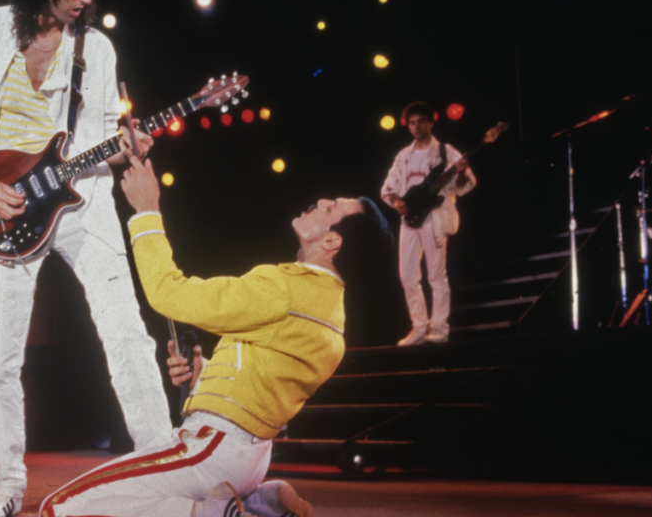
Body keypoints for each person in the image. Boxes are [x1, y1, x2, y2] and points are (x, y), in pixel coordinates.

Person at [0, 0, 172, 515]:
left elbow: (104, 139)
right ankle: (7, 487)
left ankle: (163, 466)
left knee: (127, 333)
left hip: (82, 202)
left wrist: (129, 147)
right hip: (5, 205)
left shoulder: (96, 47)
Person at [39, 154, 393, 517]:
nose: (321, 201)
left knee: (58, 507)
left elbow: (168, 293)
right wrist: (202, 375)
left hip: (213, 449)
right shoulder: (331, 314)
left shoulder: (287, 289)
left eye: (332, 208)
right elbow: (262, 379)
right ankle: (259, 503)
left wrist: (146, 210)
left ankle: (217, 513)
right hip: (248, 460)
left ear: (332, 241)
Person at [381, 101, 476, 346]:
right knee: (407, 275)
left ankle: (440, 328)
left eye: (421, 121)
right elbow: (389, 187)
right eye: (412, 123)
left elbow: (463, 184)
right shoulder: (404, 155)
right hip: (410, 217)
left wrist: (461, 171)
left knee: (436, 275)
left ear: (431, 122)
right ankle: (419, 326)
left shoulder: (445, 151)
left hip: (434, 217)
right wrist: (396, 202)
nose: (416, 127)